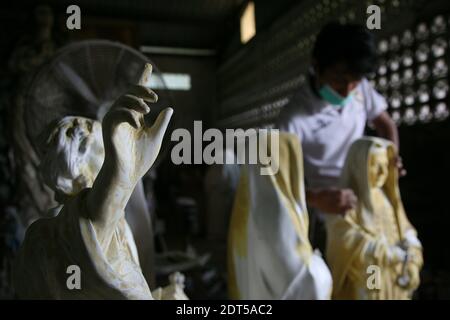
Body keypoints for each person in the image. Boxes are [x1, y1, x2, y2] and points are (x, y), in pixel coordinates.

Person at [276, 22, 403, 248]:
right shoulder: (293, 119)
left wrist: (392, 158)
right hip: (328, 208)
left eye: (354, 82)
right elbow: (277, 184)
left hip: (368, 196)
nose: (347, 91)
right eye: (338, 80)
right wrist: (316, 199)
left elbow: (386, 125)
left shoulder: (360, 88)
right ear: (316, 65)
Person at [325, 137, 422, 299]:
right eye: (375, 165)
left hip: (395, 277)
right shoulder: (346, 201)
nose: (382, 172)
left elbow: (406, 231)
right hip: (370, 275)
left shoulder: (388, 198)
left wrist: (412, 260)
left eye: (385, 165)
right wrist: (388, 253)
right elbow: (346, 239)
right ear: (359, 166)